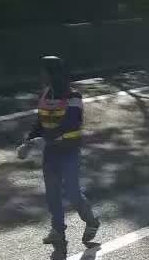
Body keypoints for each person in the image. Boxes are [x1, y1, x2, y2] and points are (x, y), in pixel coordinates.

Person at [17, 56, 100, 249]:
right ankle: (57, 230)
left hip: (69, 152)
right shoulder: (46, 94)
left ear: (53, 74)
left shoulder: (74, 98)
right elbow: (39, 123)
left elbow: (68, 125)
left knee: (72, 193)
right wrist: (28, 141)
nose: (41, 75)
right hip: (51, 153)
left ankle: (91, 221)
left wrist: (41, 141)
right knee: (52, 193)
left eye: (44, 72)